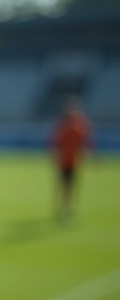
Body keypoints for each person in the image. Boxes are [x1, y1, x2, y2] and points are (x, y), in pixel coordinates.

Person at [51, 95, 95, 223]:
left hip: (74, 161)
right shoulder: (62, 124)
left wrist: (91, 154)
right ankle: (62, 208)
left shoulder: (80, 124)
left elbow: (87, 140)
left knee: (71, 185)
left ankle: (68, 208)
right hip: (63, 160)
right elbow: (56, 142)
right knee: (63, 185)